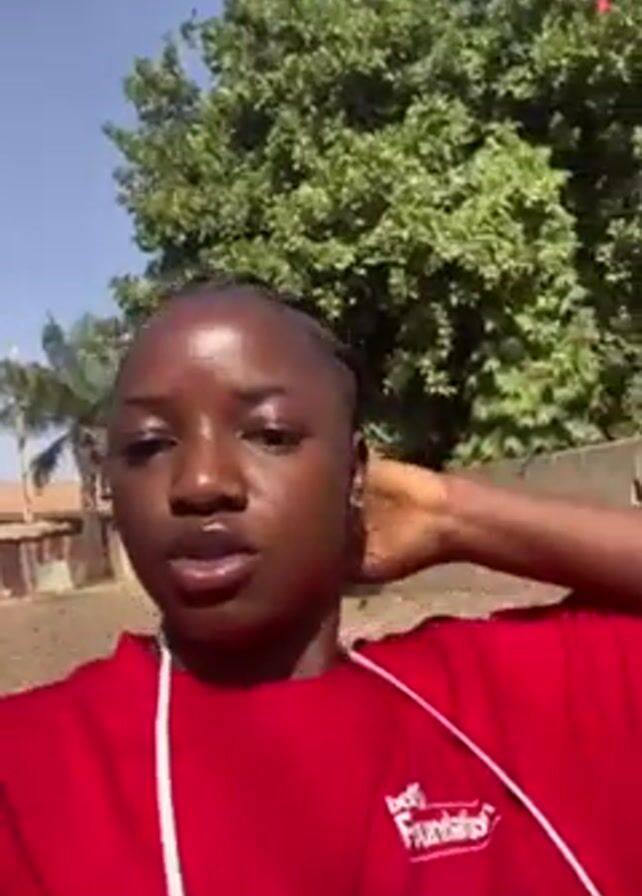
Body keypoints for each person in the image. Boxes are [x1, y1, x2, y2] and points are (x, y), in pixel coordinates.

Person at [1, 277, 641, 896]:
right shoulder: (31, 772)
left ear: (356, 473)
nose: (200, 483)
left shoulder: (510, 697)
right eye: (148, 445)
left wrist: (451, 515)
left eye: (270, 434)